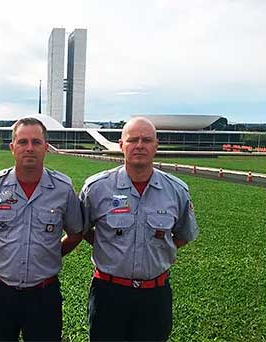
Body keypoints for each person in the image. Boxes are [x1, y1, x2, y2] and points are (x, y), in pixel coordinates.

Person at [0, 117, 84, 341]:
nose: (29, 148)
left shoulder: (63, 188)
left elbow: (76, 232)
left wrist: (50, 253)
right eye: (23, 142)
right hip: (0, 293)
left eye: (36, 142)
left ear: (46, 147)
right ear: (12, 148)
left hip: (44, 294)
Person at [80, 117, 199, 341]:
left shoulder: (176, 190)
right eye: (133, 140)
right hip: (108, 293)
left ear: (156, 145)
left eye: (146, 140)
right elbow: (82, 229)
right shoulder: (96, 188)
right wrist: (108, 246)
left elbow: (184, 234)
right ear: (121, 145)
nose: (140, 145)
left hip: (155, 295)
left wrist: (159, 249)